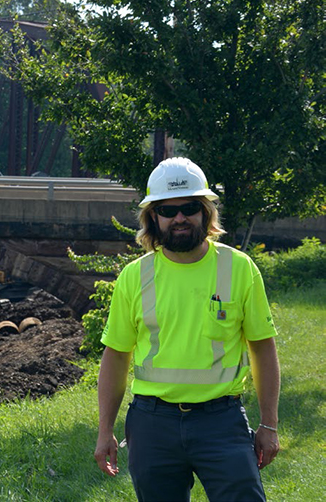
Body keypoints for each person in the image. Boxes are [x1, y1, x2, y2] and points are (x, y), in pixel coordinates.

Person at [94, 157, 280, 502]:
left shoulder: (239, 268)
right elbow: (116, 355)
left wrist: (269, 424)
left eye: (190, 207)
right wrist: (105, 429)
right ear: (153, 217)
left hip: (221, 421)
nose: (179, 217)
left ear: (206, 212)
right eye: (168, 210)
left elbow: (263, 349)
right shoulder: (134, 277)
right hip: (152, 425)